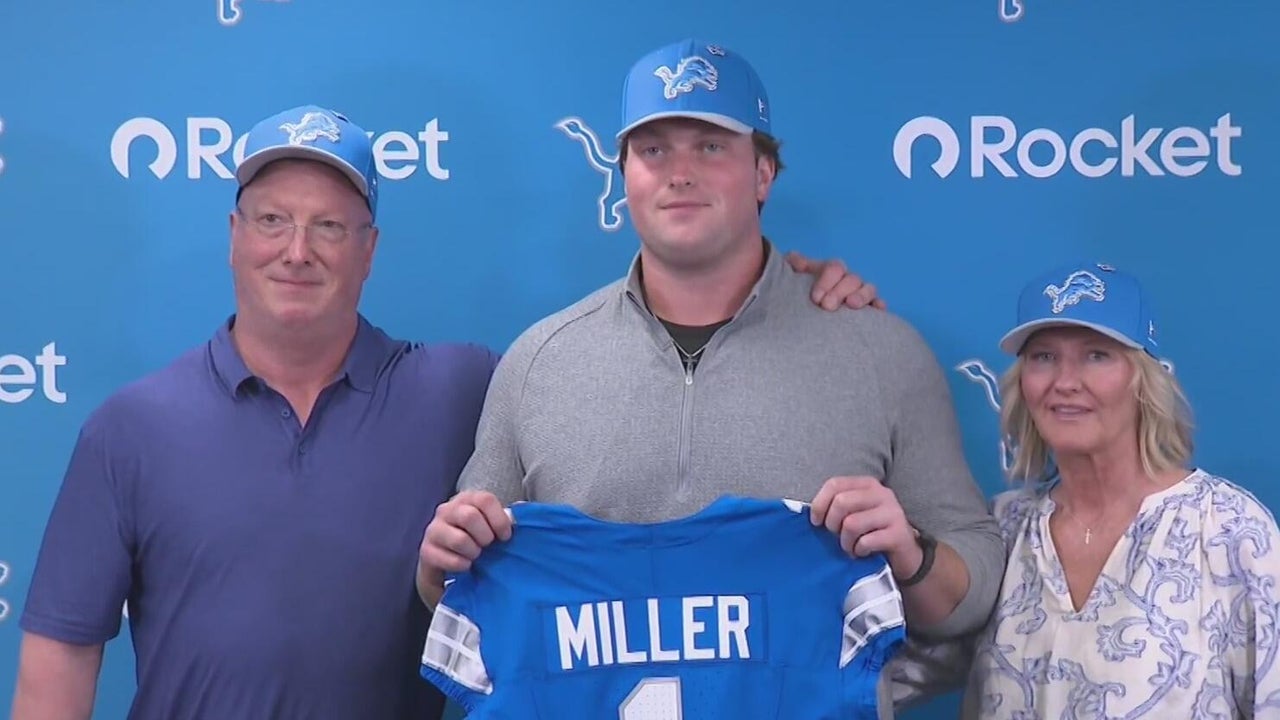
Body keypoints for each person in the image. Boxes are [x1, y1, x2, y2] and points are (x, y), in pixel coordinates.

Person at [9, 104, 880, 719]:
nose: (297, 251)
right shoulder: (131, 428)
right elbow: (59, 659)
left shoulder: (461, 387)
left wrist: (786, 291)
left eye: (330, 227)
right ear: (234, 236)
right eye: (272, 220)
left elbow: (635, 366)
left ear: (370, 249)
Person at [417, 37, 1003, 687]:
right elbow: (460, 591)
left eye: (711, 146)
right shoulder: (538, 361)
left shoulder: (881, 351)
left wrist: (911, 554)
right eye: (653, 150)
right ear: (624, 176)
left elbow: (973, 590)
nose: (680, 172)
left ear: (763, 174)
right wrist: (438, 563)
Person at [897, 262, 1280, 718]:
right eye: (1044, 357)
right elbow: (888, 673)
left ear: (1143, 377)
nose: (1064, 382)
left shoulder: (1229, 531)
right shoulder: (1003, 529)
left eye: (1096, 355)